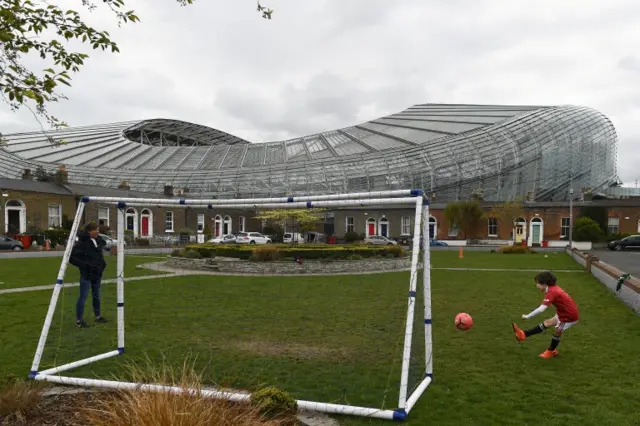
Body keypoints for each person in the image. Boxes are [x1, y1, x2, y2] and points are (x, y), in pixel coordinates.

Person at [511, 271, 579, 359]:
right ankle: (523, 334)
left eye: (538, 283)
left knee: (558, 331)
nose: (537, 286)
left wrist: (527, 316)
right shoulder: (553, 289)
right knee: (547, 323)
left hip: (569, 316)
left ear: (544, 284)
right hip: (563, 312)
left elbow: (541, 309)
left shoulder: (552, 292)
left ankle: (551, 351)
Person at [69, 223, 108, 328]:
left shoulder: (98, 241)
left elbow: (99, 254)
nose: (98, 232)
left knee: (96, 296)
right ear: (89, 231)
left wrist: (102, 265)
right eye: (96, 230)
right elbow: (72, 258)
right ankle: (79, 321)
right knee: (83, 296)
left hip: (97, 273)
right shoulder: (82, 243)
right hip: (86, 274)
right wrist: (85, 266)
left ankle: (98, 317)